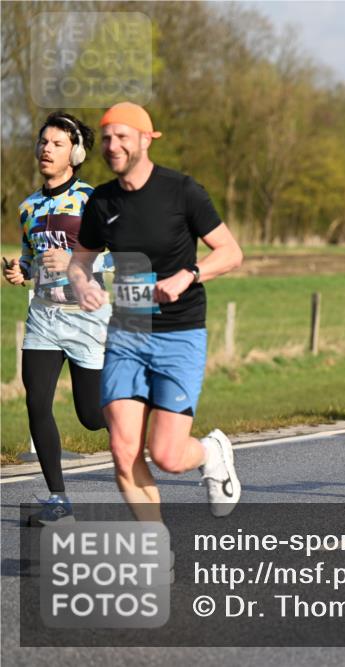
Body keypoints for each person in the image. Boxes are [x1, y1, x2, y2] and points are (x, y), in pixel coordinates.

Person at [68, 102, 244, 522]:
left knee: (167, 455)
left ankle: (211, 451)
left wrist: (189, 274)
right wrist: (83, 283)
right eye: (106, 138)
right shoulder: (101, 201)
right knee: (123, 449)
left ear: (146, 139)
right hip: (127, 332)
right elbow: (80, 261)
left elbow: (231, 252)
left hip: (178, 333)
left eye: (122, 137)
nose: (112, 146)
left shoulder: (182, 191)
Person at [3, 112, 109, 526]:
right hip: (44, 319)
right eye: (43, 141)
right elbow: (31, 259)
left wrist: (76, 260)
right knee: (36, 404)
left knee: (92, 417)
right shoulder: (28, 207)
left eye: (57, 143)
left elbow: (126, 256)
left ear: (75, 154)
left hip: (87, 318)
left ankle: (140, 415)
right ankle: (58, 501)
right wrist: (20, 271)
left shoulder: (94, 202)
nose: (46, 149)